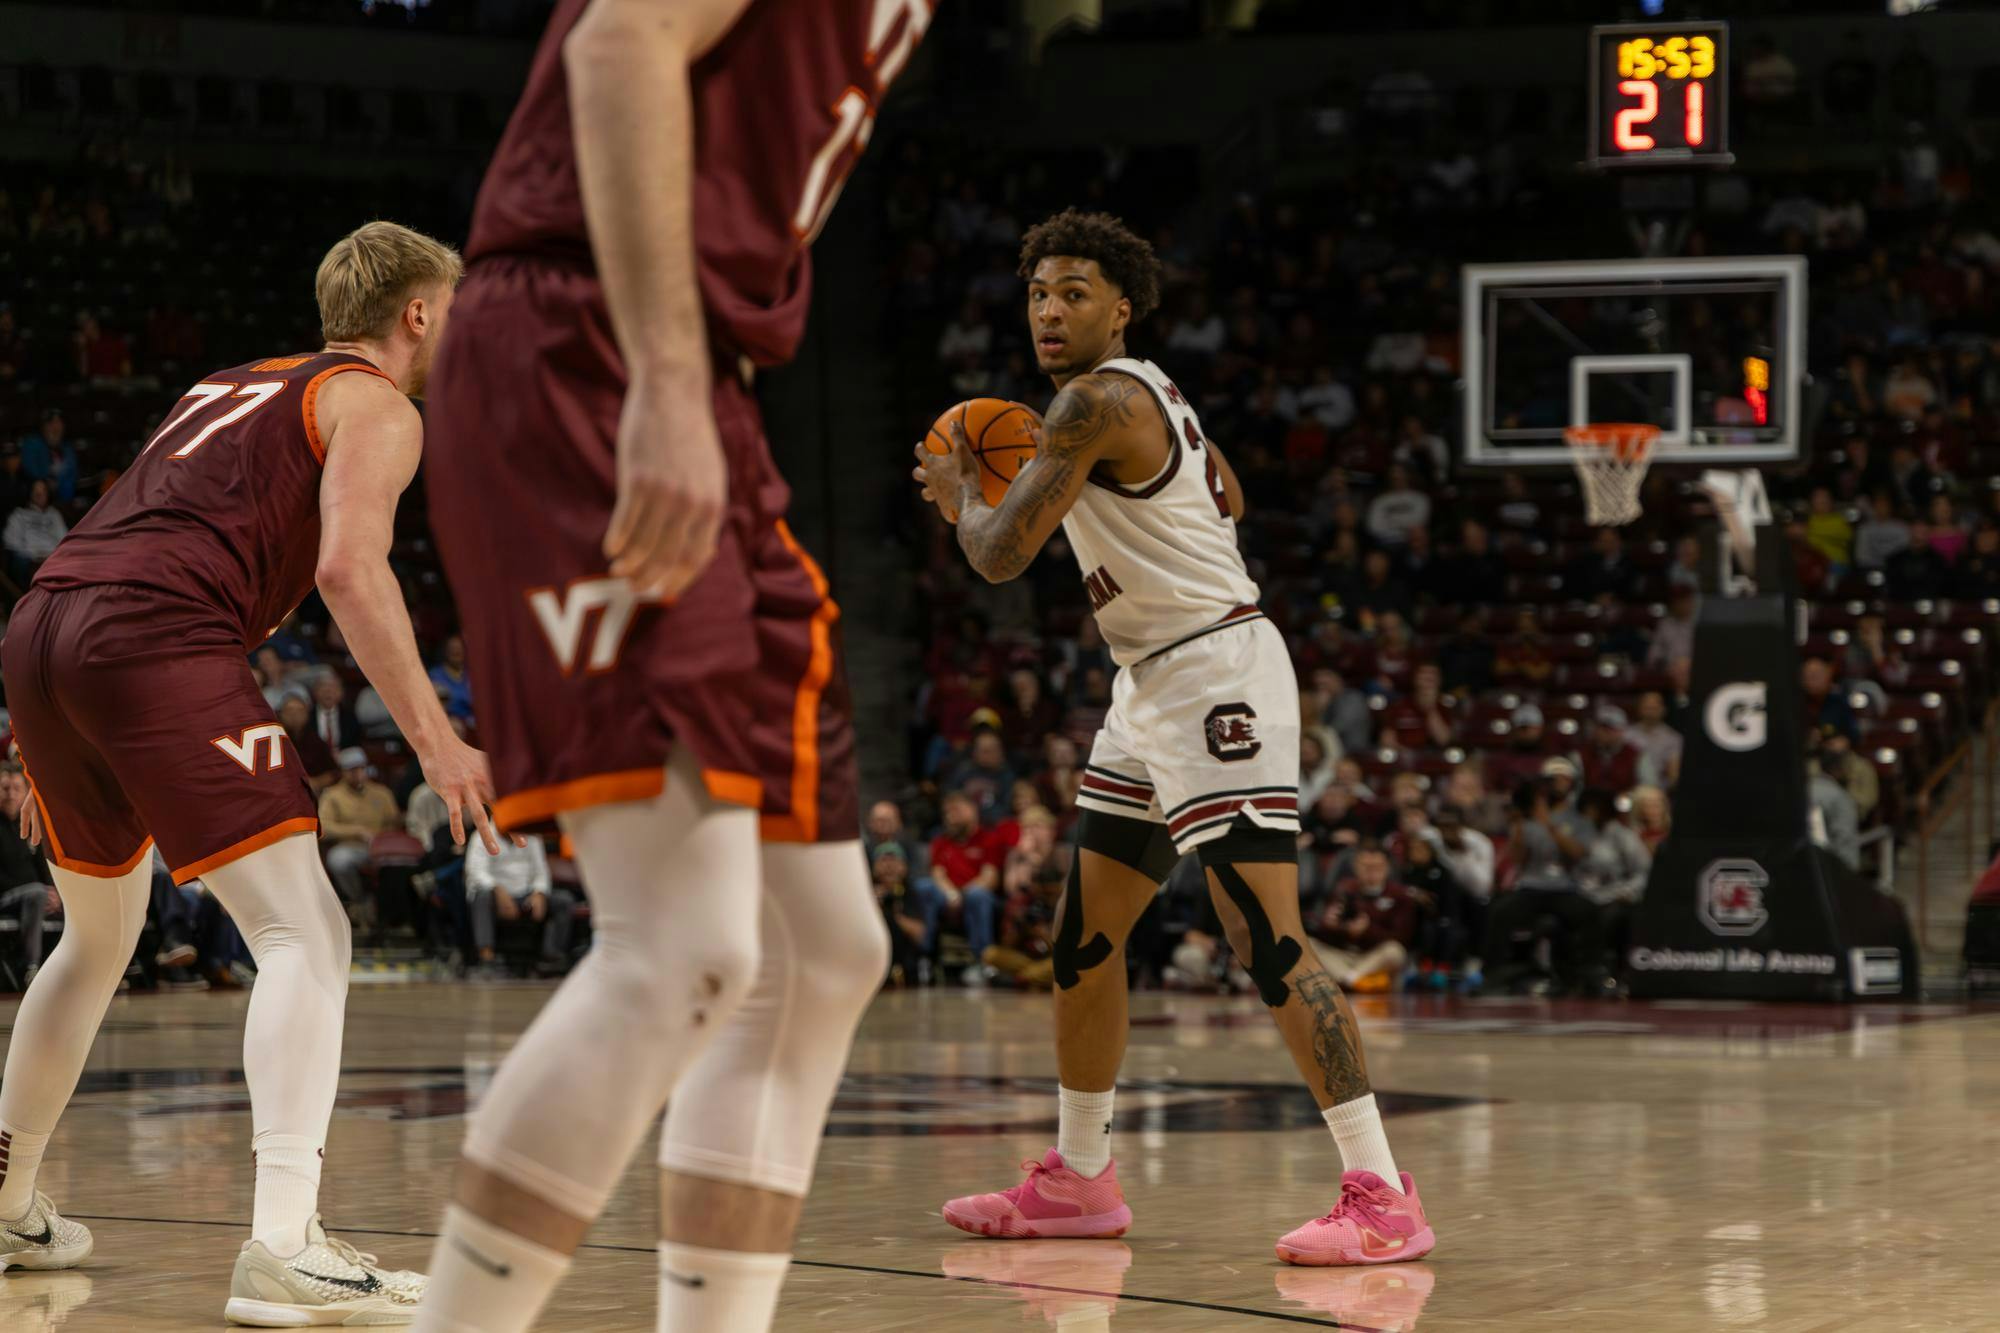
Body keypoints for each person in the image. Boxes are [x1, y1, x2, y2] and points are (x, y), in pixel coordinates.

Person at [412, 3, 933, 1329]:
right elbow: (620, 39)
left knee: (823, 948)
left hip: (688, 368)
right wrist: (657, 372)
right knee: (681, 948)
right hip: (590, 341)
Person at [0, 220, 494, 1322]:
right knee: (303, 934)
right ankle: (284, 1244)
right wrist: (433, 735)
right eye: (453, 307)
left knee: (96, 936)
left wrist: (45, 725)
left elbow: (124, 533)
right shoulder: (377, 403)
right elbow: (349, 569)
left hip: (43, 629)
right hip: (152, 634)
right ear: (417, 313)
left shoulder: (230, 382)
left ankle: (9, 1204)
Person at [919, 210, 1432, 1266]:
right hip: (1148, 680)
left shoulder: (1094, 399)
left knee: (1265, 939)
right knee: (1082, 940)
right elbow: (1227, 494)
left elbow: (999, 556)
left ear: (1121, 306)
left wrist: (963, 492)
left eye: (1072, 292)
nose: (1049, 310)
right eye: (1036, 293)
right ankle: (1079, 1178)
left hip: (1213, 674)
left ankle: (1383, 1195)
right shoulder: (1147, 397)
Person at [1307, 845, 1418, 991]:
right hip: (1342, 956)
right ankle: (1352, 980)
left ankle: (1347, 980)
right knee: (1308, 943)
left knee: (1395, 951)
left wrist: (1367, 931)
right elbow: (1325, 929)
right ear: (1355, 867)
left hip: (1374, 957)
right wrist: (1331, 926)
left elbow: (1402, 937)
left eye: (1377, 867)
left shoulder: (1400, 895)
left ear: (1387, 867)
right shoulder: (1344, 889)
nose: (1371, 872)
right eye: (1366, 866)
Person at [464, 832, 572, 978]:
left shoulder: (532, 834)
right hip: (495, 893)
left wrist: (539, 892)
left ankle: (552, 958)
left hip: (525, 893)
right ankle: (486, 959)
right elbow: (476, 872)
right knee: (481, 897)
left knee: (563, 901)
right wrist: (498, 890)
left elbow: (541, 871)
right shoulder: (481, 835)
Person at [929, 790, 1005, 983]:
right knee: (923, 889)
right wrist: (952, 894)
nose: (950, 817)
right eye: (946, 813)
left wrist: (962, 895)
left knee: (977, 895)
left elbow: (990, 878)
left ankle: (984, 961)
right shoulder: (940, 842)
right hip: (949, 897)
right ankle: (925, 958)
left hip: (981, 899)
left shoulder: (989, 839)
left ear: (973, 810)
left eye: (955, 811)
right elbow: (937, 874)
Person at [317, 747, 401, 912]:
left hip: (381, 847)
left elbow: (394, 822)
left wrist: (382, 838)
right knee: (339, 860)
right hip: (350, 846)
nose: (358, 774)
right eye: (352, 770)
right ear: (343, 772)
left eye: (361, 768)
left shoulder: (381, 793)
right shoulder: (333, 795)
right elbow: (323, 827)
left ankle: (394, 912)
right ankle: (359, 900)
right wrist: (356, 831)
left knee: (400, 862)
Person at [0, 764, 55, 983]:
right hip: (5, 898)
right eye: (5, 788)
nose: (11, 794)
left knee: (78, 900)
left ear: (26, 793)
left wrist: (55, 893)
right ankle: (31, 968)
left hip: (35, 898)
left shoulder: (32, 825)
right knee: (36, 894)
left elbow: (46, 866)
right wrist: (41, 892)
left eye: (16, 788)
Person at [3, 478, 66, 585]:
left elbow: (64, 539)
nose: (39, 494)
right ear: (30, 493)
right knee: (20, 561)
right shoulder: (19, 514)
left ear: (48, 494)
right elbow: (11, 543)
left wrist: (51, 556)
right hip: (29, 559)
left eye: (43, 491)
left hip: (53, 558)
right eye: (36, 491)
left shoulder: (54, 514)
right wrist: (35, 557)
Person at [427, 633, 475, 724]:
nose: (456, 652)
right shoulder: (436, 675)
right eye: (452, 649)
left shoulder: (472, 674)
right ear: (445, 652)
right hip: (449, 722)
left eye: (459, 648)